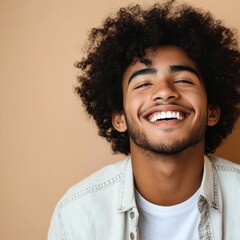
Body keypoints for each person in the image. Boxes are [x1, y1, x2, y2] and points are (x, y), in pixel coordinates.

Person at [48, 1, 240, 239]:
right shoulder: (76, 215)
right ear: (119, 119)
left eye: (183, 80)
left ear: (212, 112)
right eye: (143, 84)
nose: (164, 91)